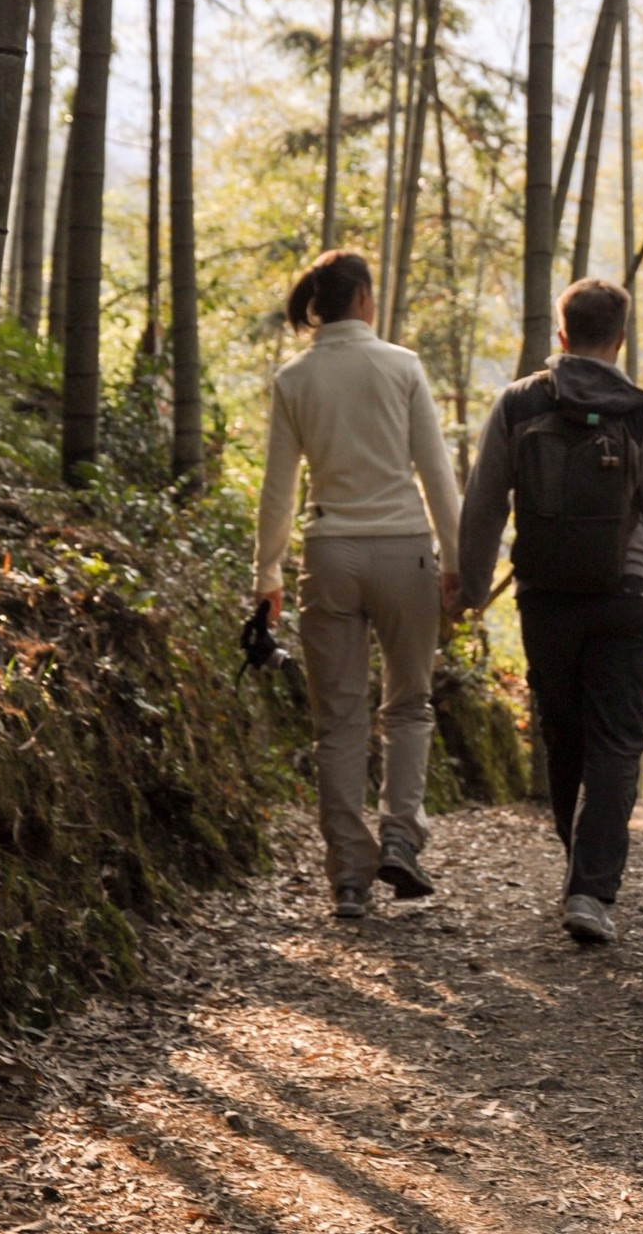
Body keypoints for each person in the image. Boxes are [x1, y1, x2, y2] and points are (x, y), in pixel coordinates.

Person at [457, 278, 643, 944]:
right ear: (620, 339)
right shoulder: (642, 412)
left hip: (547, 596)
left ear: (560, 334)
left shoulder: (519, 403)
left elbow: (483, 506)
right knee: (617, 742)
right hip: (629, 595)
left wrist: (471, 593)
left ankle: (579, 869)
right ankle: (590, 887)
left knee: (563, 732)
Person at [253, 250, 460, 920]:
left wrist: (268, 574)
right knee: (407, 707)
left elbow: (278, 490)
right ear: (366, 298)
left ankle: (348, 875)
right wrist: (458, 566)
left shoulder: (295, 377)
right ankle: (400, 836)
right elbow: (436, 474)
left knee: (337, 721)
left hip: (330, 554)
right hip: (404, 553)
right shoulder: (402, 366)